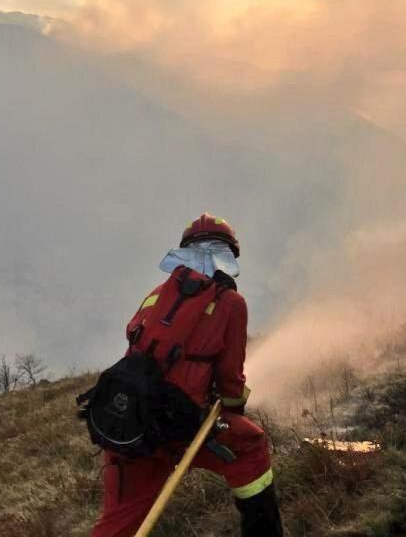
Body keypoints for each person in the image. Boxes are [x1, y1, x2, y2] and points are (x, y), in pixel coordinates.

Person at [89, 213, 283, 537]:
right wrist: (232, 410)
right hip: (181, 426)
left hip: (129, 421)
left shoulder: (156, 294)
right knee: (251, 446)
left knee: (120, 521)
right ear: (227, 256)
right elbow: (231, 378)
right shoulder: (231, 303)